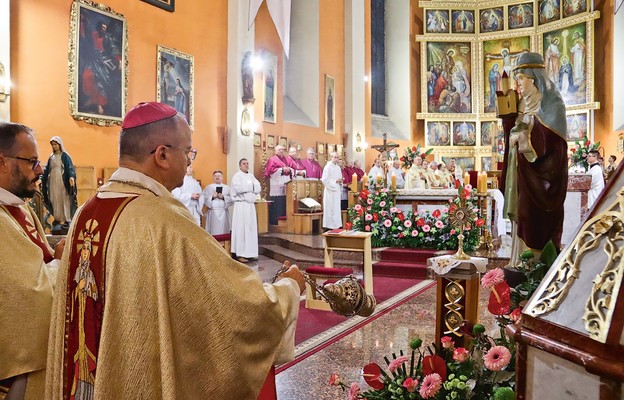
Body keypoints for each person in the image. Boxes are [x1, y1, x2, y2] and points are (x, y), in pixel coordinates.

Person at [44, 102, 305, 399]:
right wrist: (287, 291)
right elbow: (234, 306)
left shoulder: (85, 212)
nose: (190, 163)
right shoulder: (164, 220)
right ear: (163, 155)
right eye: (188, 153)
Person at [0, 122, 65, 400]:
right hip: (18, 369)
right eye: (32, 161)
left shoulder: (18, 206)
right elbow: (29, 295)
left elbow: (37, 255)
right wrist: (62, 261)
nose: (40, 170)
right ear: (2, 163)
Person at [499, 52, 568, 267]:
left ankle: (537, 268)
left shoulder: (553, 105)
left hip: (542, 180)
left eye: (521, 79)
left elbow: (553, 144)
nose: (518, 84)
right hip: (522, 174)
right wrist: (509, 121)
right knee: (523, 217)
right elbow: (512, 135)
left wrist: (524, 137)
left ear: (534, 77)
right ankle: (520, 264)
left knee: (535, 220)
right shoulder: (521, 104)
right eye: (517, 79)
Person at [41, 136, 78, 229]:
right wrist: (42, 178)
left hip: (62, 181)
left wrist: (71, 177)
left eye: (56, 144)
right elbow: (46, 170)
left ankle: (67, 219)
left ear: (60, 145)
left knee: (63, 198)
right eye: (53, 145)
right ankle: (57, 218)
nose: (54, 147)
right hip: (53, 181)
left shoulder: (65, 156)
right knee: (55, 198)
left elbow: (70, 168)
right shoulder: (51, 157)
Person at [230, 158, 261, 263]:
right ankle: (240, 254)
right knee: (241, 230)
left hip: (250, 206)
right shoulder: (236, 176)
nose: (246, 165)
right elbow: (238, 189)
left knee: (250, 229)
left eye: (247, 163)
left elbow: (258, 188)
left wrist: (250, 187)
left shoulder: (251, 176)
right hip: (241, 205)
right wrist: (251, 187)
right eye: (244, 164)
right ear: (240, 166)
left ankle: (250, 253)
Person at [263, 145, 292, 225]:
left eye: (282, 149)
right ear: (275, 151)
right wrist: (282, 170)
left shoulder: (287, 159)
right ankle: (275, 222)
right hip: (276, 183)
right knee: (277, 204)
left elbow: (293, 169)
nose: (281, 151)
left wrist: (289, 170)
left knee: (284, 202)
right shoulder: (272, 159)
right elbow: (270, 171)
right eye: (279, 150)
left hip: (286, 183)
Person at [203, 170, 231, 235]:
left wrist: (223, 197)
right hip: (212, 213)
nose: (217, 177)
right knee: (213, 231)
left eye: (219, 176)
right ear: (213, 177)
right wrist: (212, 197)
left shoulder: (227, 188)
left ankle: (224, 244)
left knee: (223, 231)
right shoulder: (208, 187)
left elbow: (231, 199)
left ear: (222, 177)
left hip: (223, 212)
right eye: (215, 176)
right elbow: (204, 199)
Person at [321, 152, 343, 230]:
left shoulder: (338, 167)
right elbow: (324, 179)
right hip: (330, 190)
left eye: (338, 158)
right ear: (331, 157)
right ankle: (329, 226)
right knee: (330, 207)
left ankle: (336, 225)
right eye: (335, 157)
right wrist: (334, 182)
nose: (336, 159)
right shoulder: (327, 167)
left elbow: (340, 177)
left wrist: (340, 181)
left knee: (336, 207)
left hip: (336, 190)